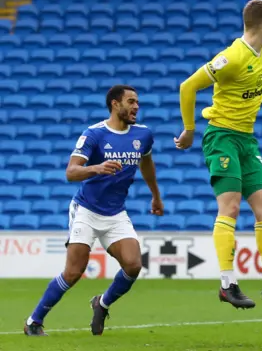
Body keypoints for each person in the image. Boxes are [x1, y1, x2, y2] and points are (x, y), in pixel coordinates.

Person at [176, 0, 262, 310]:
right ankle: (227, 284)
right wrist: (190, 130)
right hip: (221, 137)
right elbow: (188, 86)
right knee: (230, 208)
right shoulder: (230, 57)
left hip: (247, 140)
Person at [24, 85, 164, 336]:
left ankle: (102, 303)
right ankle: (34, 321)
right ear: (114, 104)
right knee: (74, 272)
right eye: (131, 101)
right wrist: (96, 168)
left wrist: (155, 195)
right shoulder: (94, 134)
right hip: (86, 210)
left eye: (137, 102)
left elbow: (147, 164)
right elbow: (71, 172)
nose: (136, 107)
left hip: (116, 213)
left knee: (133, 266)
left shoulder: (143, 135)